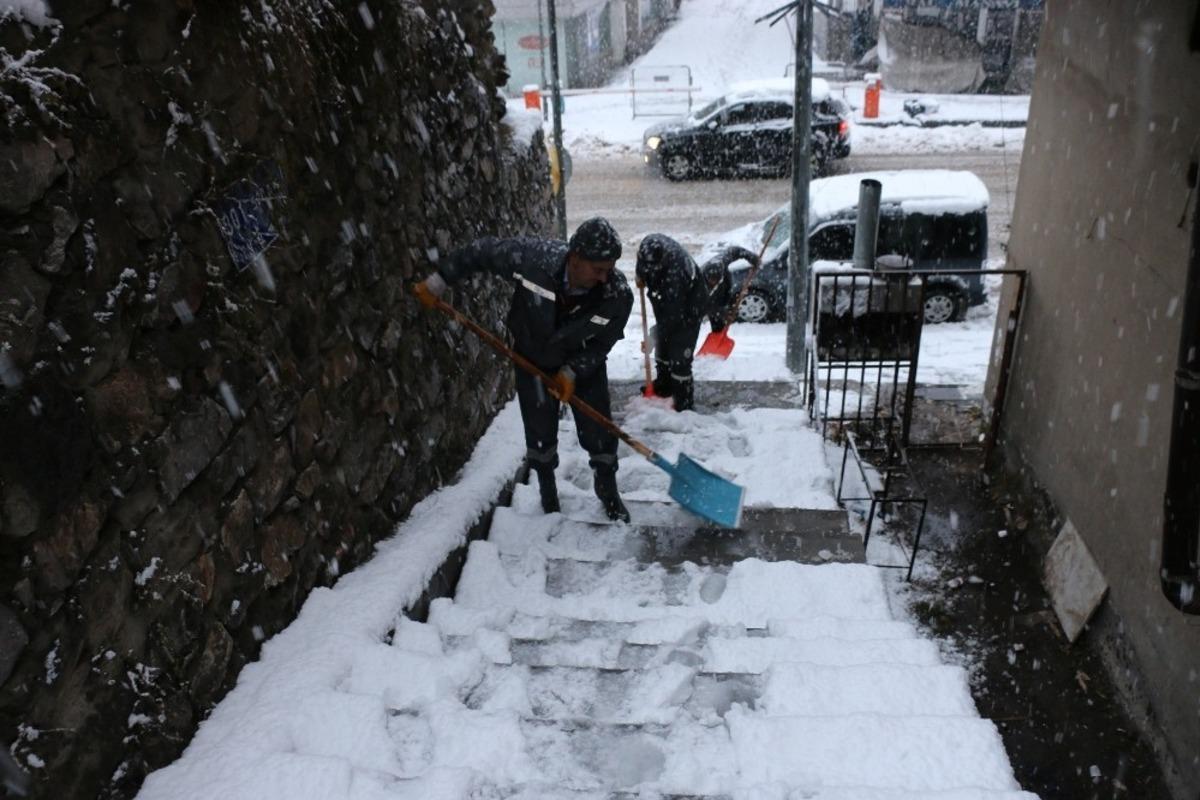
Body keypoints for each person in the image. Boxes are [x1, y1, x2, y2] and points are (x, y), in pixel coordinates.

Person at [414, 217, 634, 523]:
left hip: (582, 365)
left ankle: (608, 490)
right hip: (533, 358)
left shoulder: (617, 295)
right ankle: (548, 495)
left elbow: (604, 341)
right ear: (575, 256)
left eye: (609, 269)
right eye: (598, 269)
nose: (604, 277)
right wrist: (440, 280)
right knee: (540, 432)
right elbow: (483, 252)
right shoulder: (535, 260)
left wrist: (574, 370)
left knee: (599, 431)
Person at [635, 234, 759, 411]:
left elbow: (672, 319)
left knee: (679, 358)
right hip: (667, 301)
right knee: (663, 348)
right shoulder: (648, 247)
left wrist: (652, 337)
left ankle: (683, 403)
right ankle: (663, 386)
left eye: (714, 281)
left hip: (690, 309)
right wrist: (640, 275)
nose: (712, 281)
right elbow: (665, 319)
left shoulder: (676, 276)